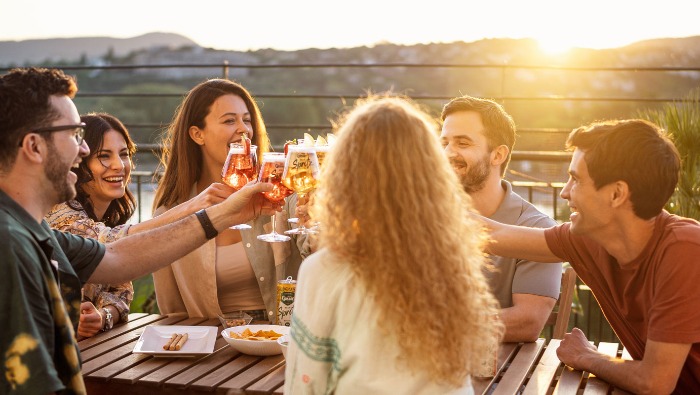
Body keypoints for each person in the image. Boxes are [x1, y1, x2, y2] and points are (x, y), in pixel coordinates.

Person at [0, 67, 281, 394]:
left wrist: (222, 214)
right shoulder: (10, 245)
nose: (83, 150)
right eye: (74, 135)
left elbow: (117, 256)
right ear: (34, 146)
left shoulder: (32, 231)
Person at [284, 96, 503, 394]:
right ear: (432, 175)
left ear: (343, 175)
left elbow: (305, 383)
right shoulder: (449, 260)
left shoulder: (325, 271)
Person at [483, 119, 700, 393]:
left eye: (576, 179)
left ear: (616, 194)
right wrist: (424, 198)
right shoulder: (590, 239)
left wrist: (589, 357)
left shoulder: (685, 250)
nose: (564, 192)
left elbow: (654, 382)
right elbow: (493, 235)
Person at [45, 113, 232, 339]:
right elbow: (113, 246)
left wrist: (103, 316)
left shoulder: (109, 217)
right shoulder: (59, 212)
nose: (118, 165)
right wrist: (194, 206)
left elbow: (122, 292)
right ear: (79, 162)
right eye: (104, 156)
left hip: (89, 351)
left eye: (124, 155)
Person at [152, 78, 303, 322]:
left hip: (279, 340)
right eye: (229, 120)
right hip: (212, 346)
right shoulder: (172, 213)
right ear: (197, 134)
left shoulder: (278, 194)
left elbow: (312, 244)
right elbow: (172, 311)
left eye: (246, 119)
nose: (243, 129)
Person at [440, 95, 562, 342]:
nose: (448, 153)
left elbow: (527, 322)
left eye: (463, 143)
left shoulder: (536, 228)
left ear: (498, 155)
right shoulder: (421, 216)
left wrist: (432, 329)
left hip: (499, 374)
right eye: (444, 142)